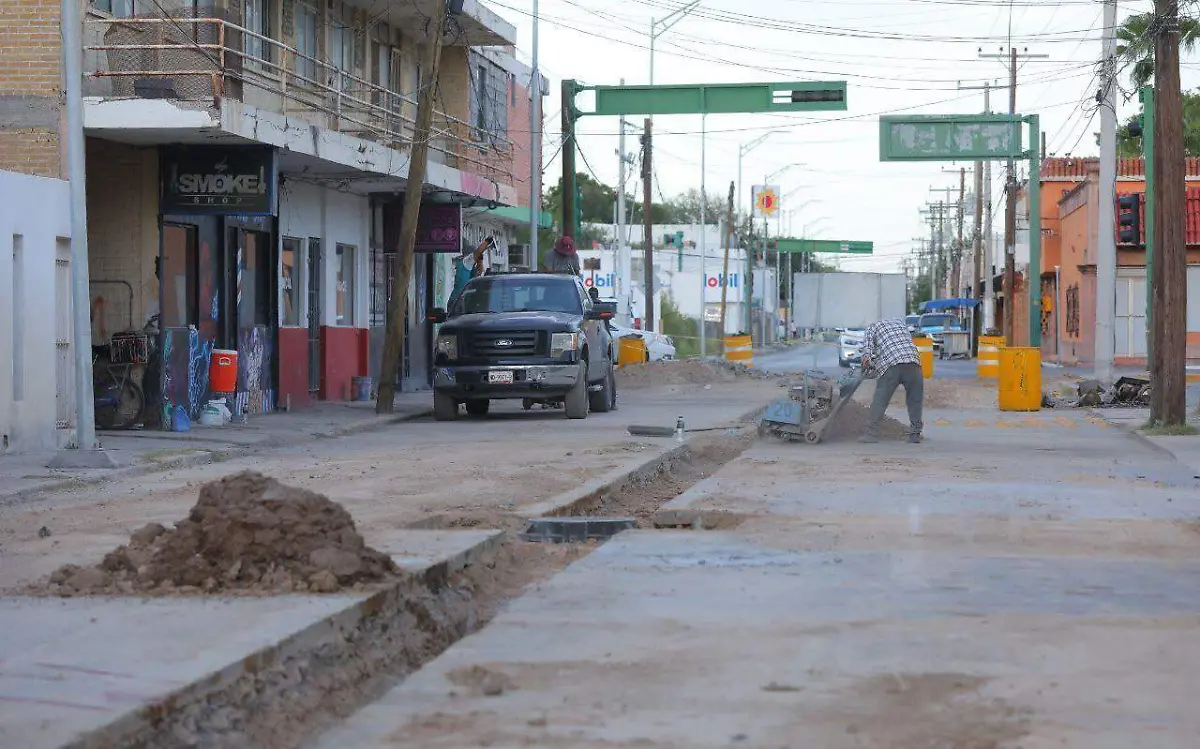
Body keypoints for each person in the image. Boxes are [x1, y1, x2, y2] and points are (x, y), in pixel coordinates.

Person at [859, 316, 924, 444]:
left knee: (880, 400)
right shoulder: (901, 325)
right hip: (914, 364)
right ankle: (915, 435)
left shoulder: (872, 327)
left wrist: (866, 365)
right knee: (914, 401)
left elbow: (867, 354)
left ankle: (871, 434)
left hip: (891, 366)